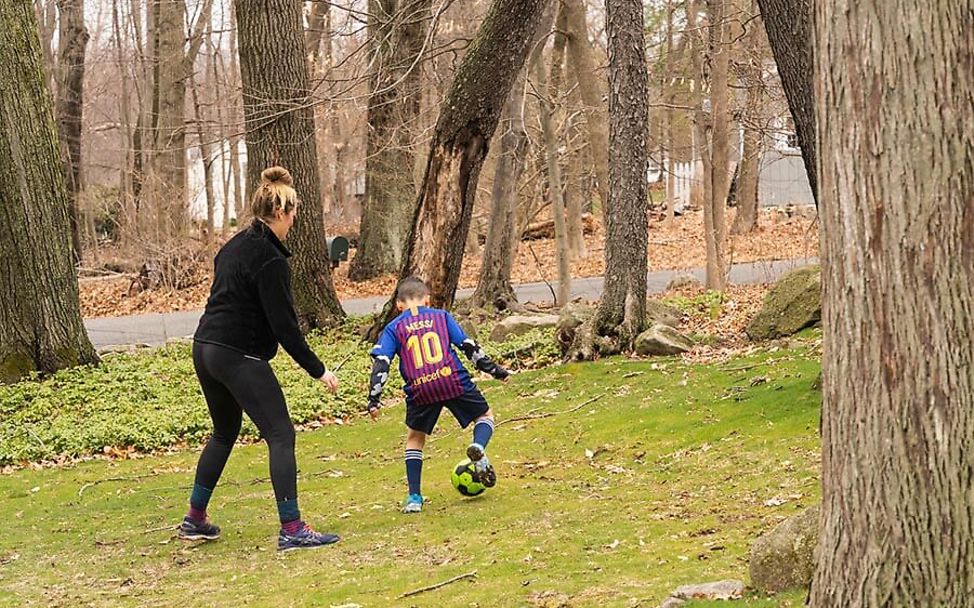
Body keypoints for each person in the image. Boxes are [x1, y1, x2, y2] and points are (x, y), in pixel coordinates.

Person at [178, 166, 341, 551]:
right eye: (294, 211)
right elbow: (286, 329)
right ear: (283, 212)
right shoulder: (271, 259)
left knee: (224, 432)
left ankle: (195, 519)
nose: (296, 217)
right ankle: (292, 529)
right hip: (237, 355)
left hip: (205, 348)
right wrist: (319, 371)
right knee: (281, 435)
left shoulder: (233, 245)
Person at [367, 277, 510, 513]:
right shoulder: (441, 317)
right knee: (485, 416)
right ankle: (478, 445)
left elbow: (382, 362)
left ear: (399, 305)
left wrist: (374, 399)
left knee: (415, 438)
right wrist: (494, 370)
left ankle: (414, 498)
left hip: (420, 388)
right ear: (427, 299)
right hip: (452, 379)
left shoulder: (394, 328)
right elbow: (467, 345)